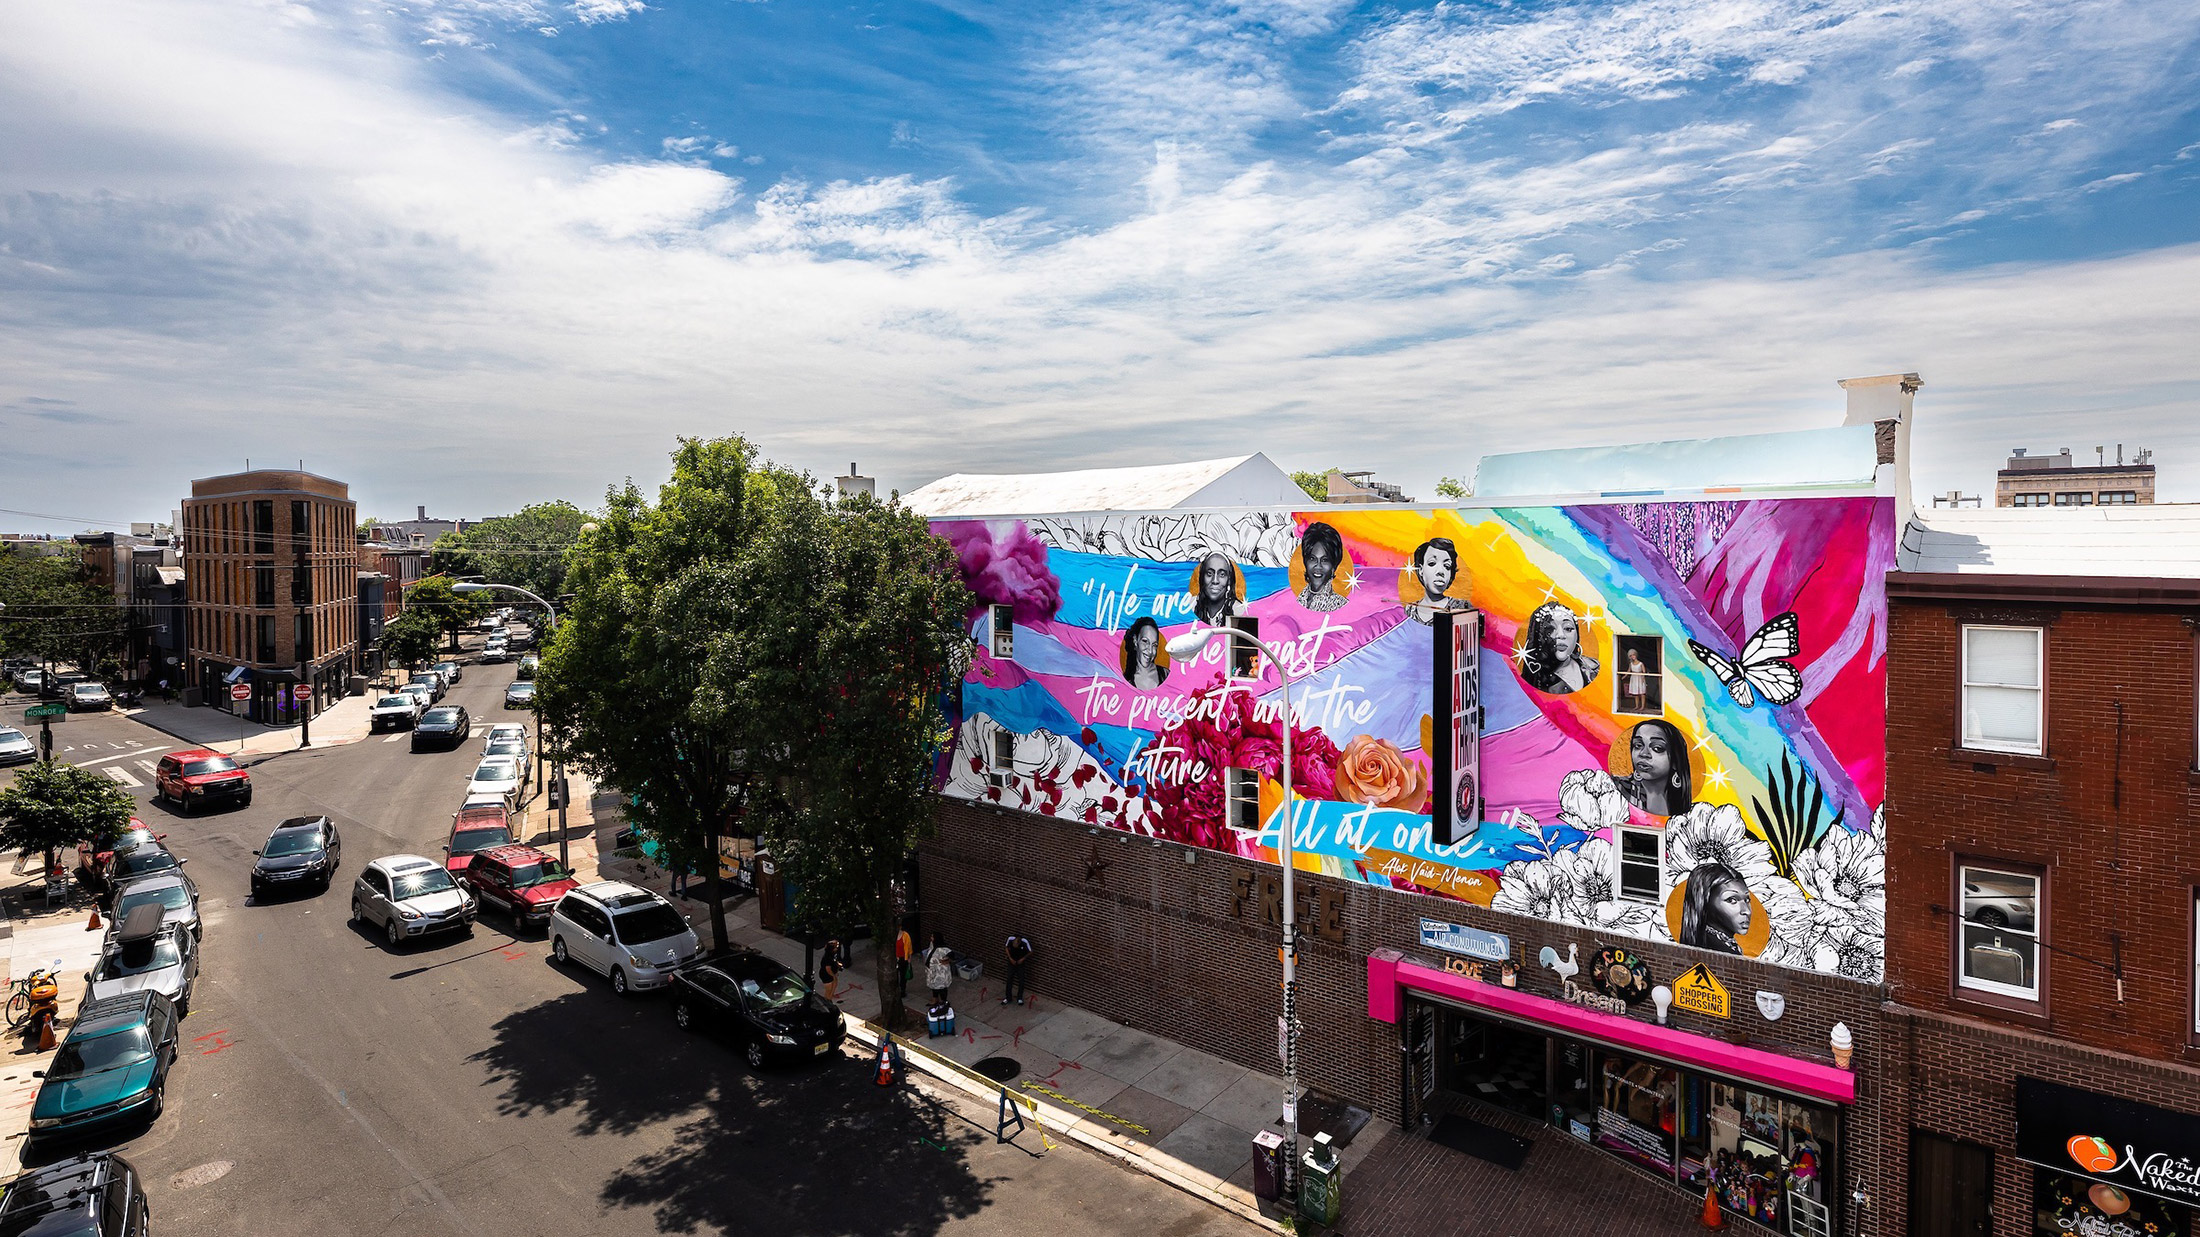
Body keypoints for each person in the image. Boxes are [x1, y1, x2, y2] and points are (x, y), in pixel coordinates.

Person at [1520, 601, 1599, 694]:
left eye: (1568, 628)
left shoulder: (1593, 667)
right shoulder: (1533, 682)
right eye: (1550, 630)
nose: (1560, 635)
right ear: (1538, 636)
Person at [1618, 719, 1692, 818]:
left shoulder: (1687, 807)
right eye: (1638, 745)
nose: (1644, 754)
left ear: (1675, 761)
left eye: (1657, 748)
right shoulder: (1617, 789)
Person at [1679, 862, 1752, 954]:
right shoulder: (1713, 948)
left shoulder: (1725, 945)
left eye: (1747, 900)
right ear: (1705, 902)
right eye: (1731, 900)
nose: (1747, 911)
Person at [1404, 537, 1470, 624]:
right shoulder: (1408, 611)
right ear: (1420, 570)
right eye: (1432, 563)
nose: (1440, 571)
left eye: (1447, 566)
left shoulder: (1462, 608)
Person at [1296, 522, 1349, 612]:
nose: (1318, 566)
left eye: (1325, 560)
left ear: (1333, 565)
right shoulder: (1299, 599)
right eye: (1312, 558)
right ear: (1305, 561)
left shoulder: (1339, 605)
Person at [1192, 553, 1240, 625]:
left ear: (1229, 580)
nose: (1215, 581)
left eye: (1222, 574)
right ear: (1202, 577)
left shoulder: (1239, 611)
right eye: (1209, 573)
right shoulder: (1190, 606)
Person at [1122, 617, 1168, 690]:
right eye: (1145, 641)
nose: (1150, 651)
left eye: (1154, 645)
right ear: (1135, 640)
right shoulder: (1125, 680)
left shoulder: (1165, 674)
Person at [923, 932, 954, 1011]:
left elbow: (952, 955)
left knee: (942, 987)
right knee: (934, 986)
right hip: (932, 971)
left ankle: (943, 1002)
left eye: (933, 937)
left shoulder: (944, 949)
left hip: (940, 972)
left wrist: (947, 960)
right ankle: (935, 999)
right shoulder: (932, 944)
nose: (931, 938)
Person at [1003, 931, 1032, 1005]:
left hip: (1020, 962)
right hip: (1011, 961)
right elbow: (1006, 947)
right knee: (1009, 978)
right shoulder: (1010, 939)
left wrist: (1023, 959)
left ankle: (1019, 998)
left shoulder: (1024, 942)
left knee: (1021, 980)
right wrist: (1010, 958)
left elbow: (1030, 951)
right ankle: (1008, 997)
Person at [1622, 647, 1649, 712]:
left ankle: (1642, 706)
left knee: (1642, 693)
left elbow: (1644, 671)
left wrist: (1643, 677)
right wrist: (1624, 676)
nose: (1632, 657)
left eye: (1633, 655)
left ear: (1636, 655)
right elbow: (1628, 671)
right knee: (1635, 693)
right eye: (1631, 656)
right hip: (1633, 678)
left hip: (1640, 678)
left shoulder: (1641, 663)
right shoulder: (1631, 664)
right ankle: (1637, 706)